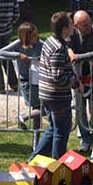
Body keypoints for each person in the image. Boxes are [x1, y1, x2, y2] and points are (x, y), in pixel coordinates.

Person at [31, 12, 76, 160]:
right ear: (64, 29)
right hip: (57, 97)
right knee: (61, 132)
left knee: (53, 129)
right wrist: (75, 82)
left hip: (47, 94)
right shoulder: (58, 48)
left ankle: (34, 160)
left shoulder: (49, 41)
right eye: (71, 24)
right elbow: (58, 77)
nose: (73, 26)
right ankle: (58, 165)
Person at [68, 10, 93, 152]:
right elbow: (66, 47)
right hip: (77, 76)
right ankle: (84, 139)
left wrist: (79, 57)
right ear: (76, 26)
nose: (89, 26)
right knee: (79, 109)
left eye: (89, 22)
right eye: (84, 25)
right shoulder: (72, 33)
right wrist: (70, 51)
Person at [0, 22, 43, 137]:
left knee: (39, 109)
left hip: (39, 80)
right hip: (26, 81)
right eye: (34, 35)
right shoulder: (19, 44)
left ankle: (36, 138)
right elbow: (0, 53)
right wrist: (18, 55)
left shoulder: (40, 44)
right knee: (45, 109)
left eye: (37, 34)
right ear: (26, 37)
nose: (37, 37)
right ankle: (24, 117)